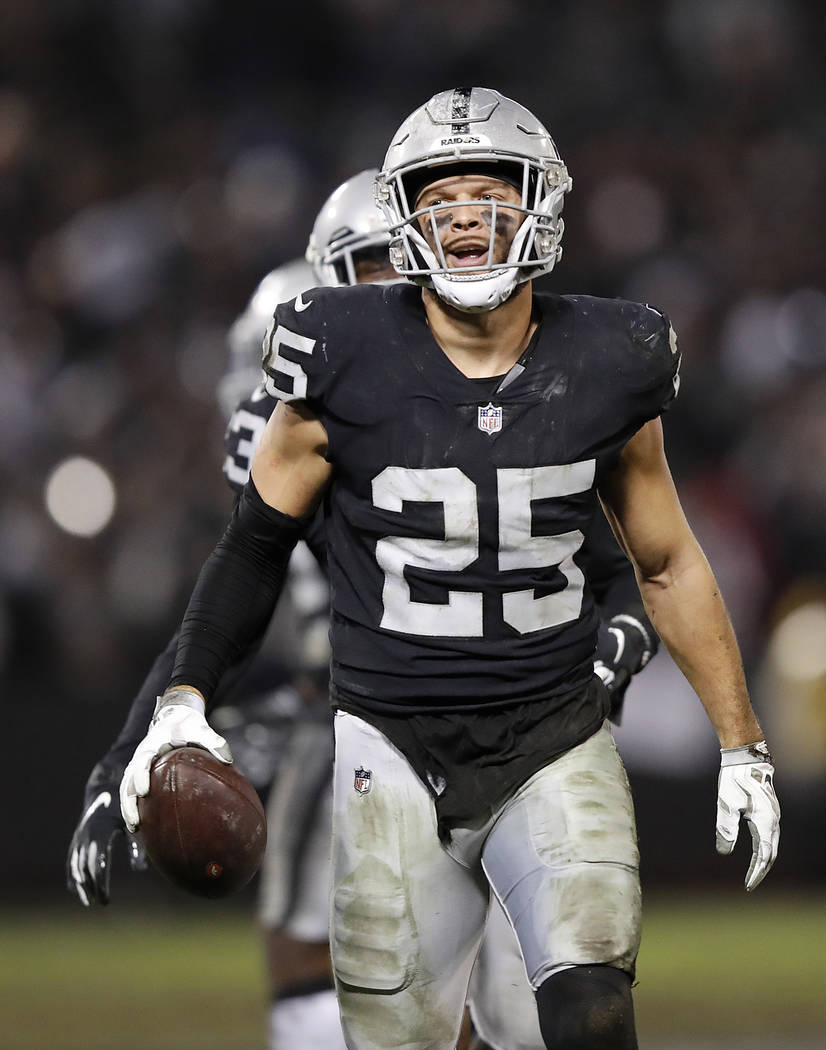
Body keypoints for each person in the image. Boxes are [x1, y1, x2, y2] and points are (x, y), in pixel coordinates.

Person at [121, 87, 781, 1050]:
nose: (466, 213)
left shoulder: (613, 352)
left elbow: (668, 562)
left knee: (590, 1006)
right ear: (406, 217)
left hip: (554, 733)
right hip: (388, 743)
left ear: (539, 204)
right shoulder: (335, 348)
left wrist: (742, 741)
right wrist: (183, 696)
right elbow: (253, 545)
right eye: (441, 196)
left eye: (490, 189)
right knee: (401, 1037)